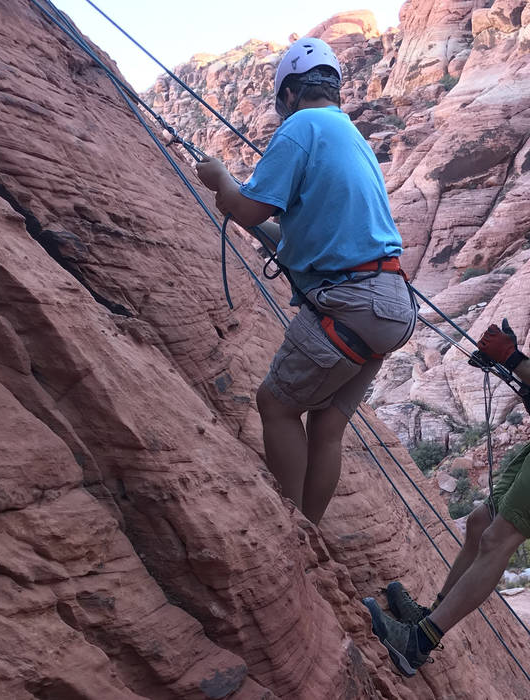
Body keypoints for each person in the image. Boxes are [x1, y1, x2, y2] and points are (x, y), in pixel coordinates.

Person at [362, 212, 530, 677]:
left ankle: (419, 642)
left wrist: (512, 357)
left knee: (497, 539)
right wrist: (510, 366)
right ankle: (429, 615)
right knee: (479, 522)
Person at [194, 37, 417, 525]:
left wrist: (221, 182)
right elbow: (292, 231)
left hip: (352, 303)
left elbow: (251, 206)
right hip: (390, 304)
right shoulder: (348, 133)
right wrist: (241, 205)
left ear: (290, 93)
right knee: (327, 426)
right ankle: (311, 534)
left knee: (274, 405)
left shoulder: (300, 127)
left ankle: (293, 528)